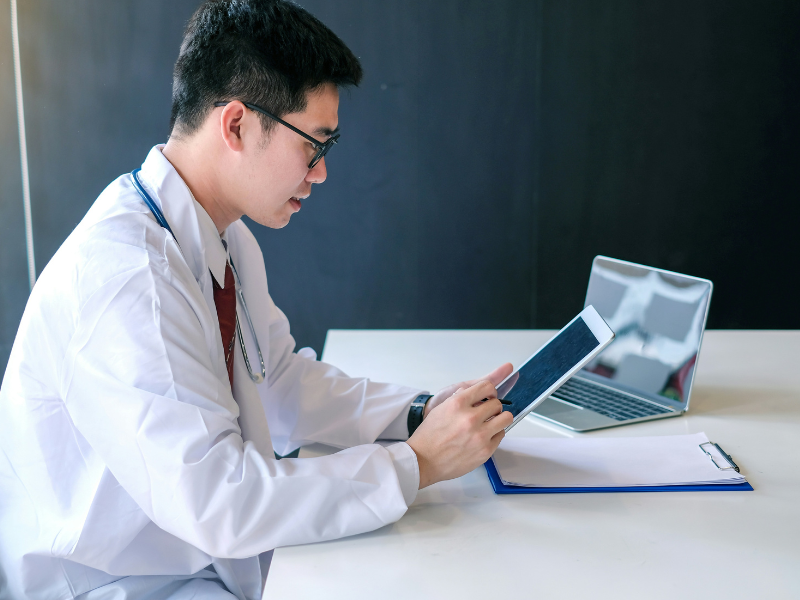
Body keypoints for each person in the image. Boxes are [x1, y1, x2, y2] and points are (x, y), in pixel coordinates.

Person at [0, 1, 513, 598]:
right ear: (237, 124)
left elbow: (279, 382)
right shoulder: (126, 277)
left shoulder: (223, 235)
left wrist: (419, 415)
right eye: (314, 145)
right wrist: (416, 465)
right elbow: (217, 502)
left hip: (187, 562)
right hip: (117, 582)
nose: (320, 174)